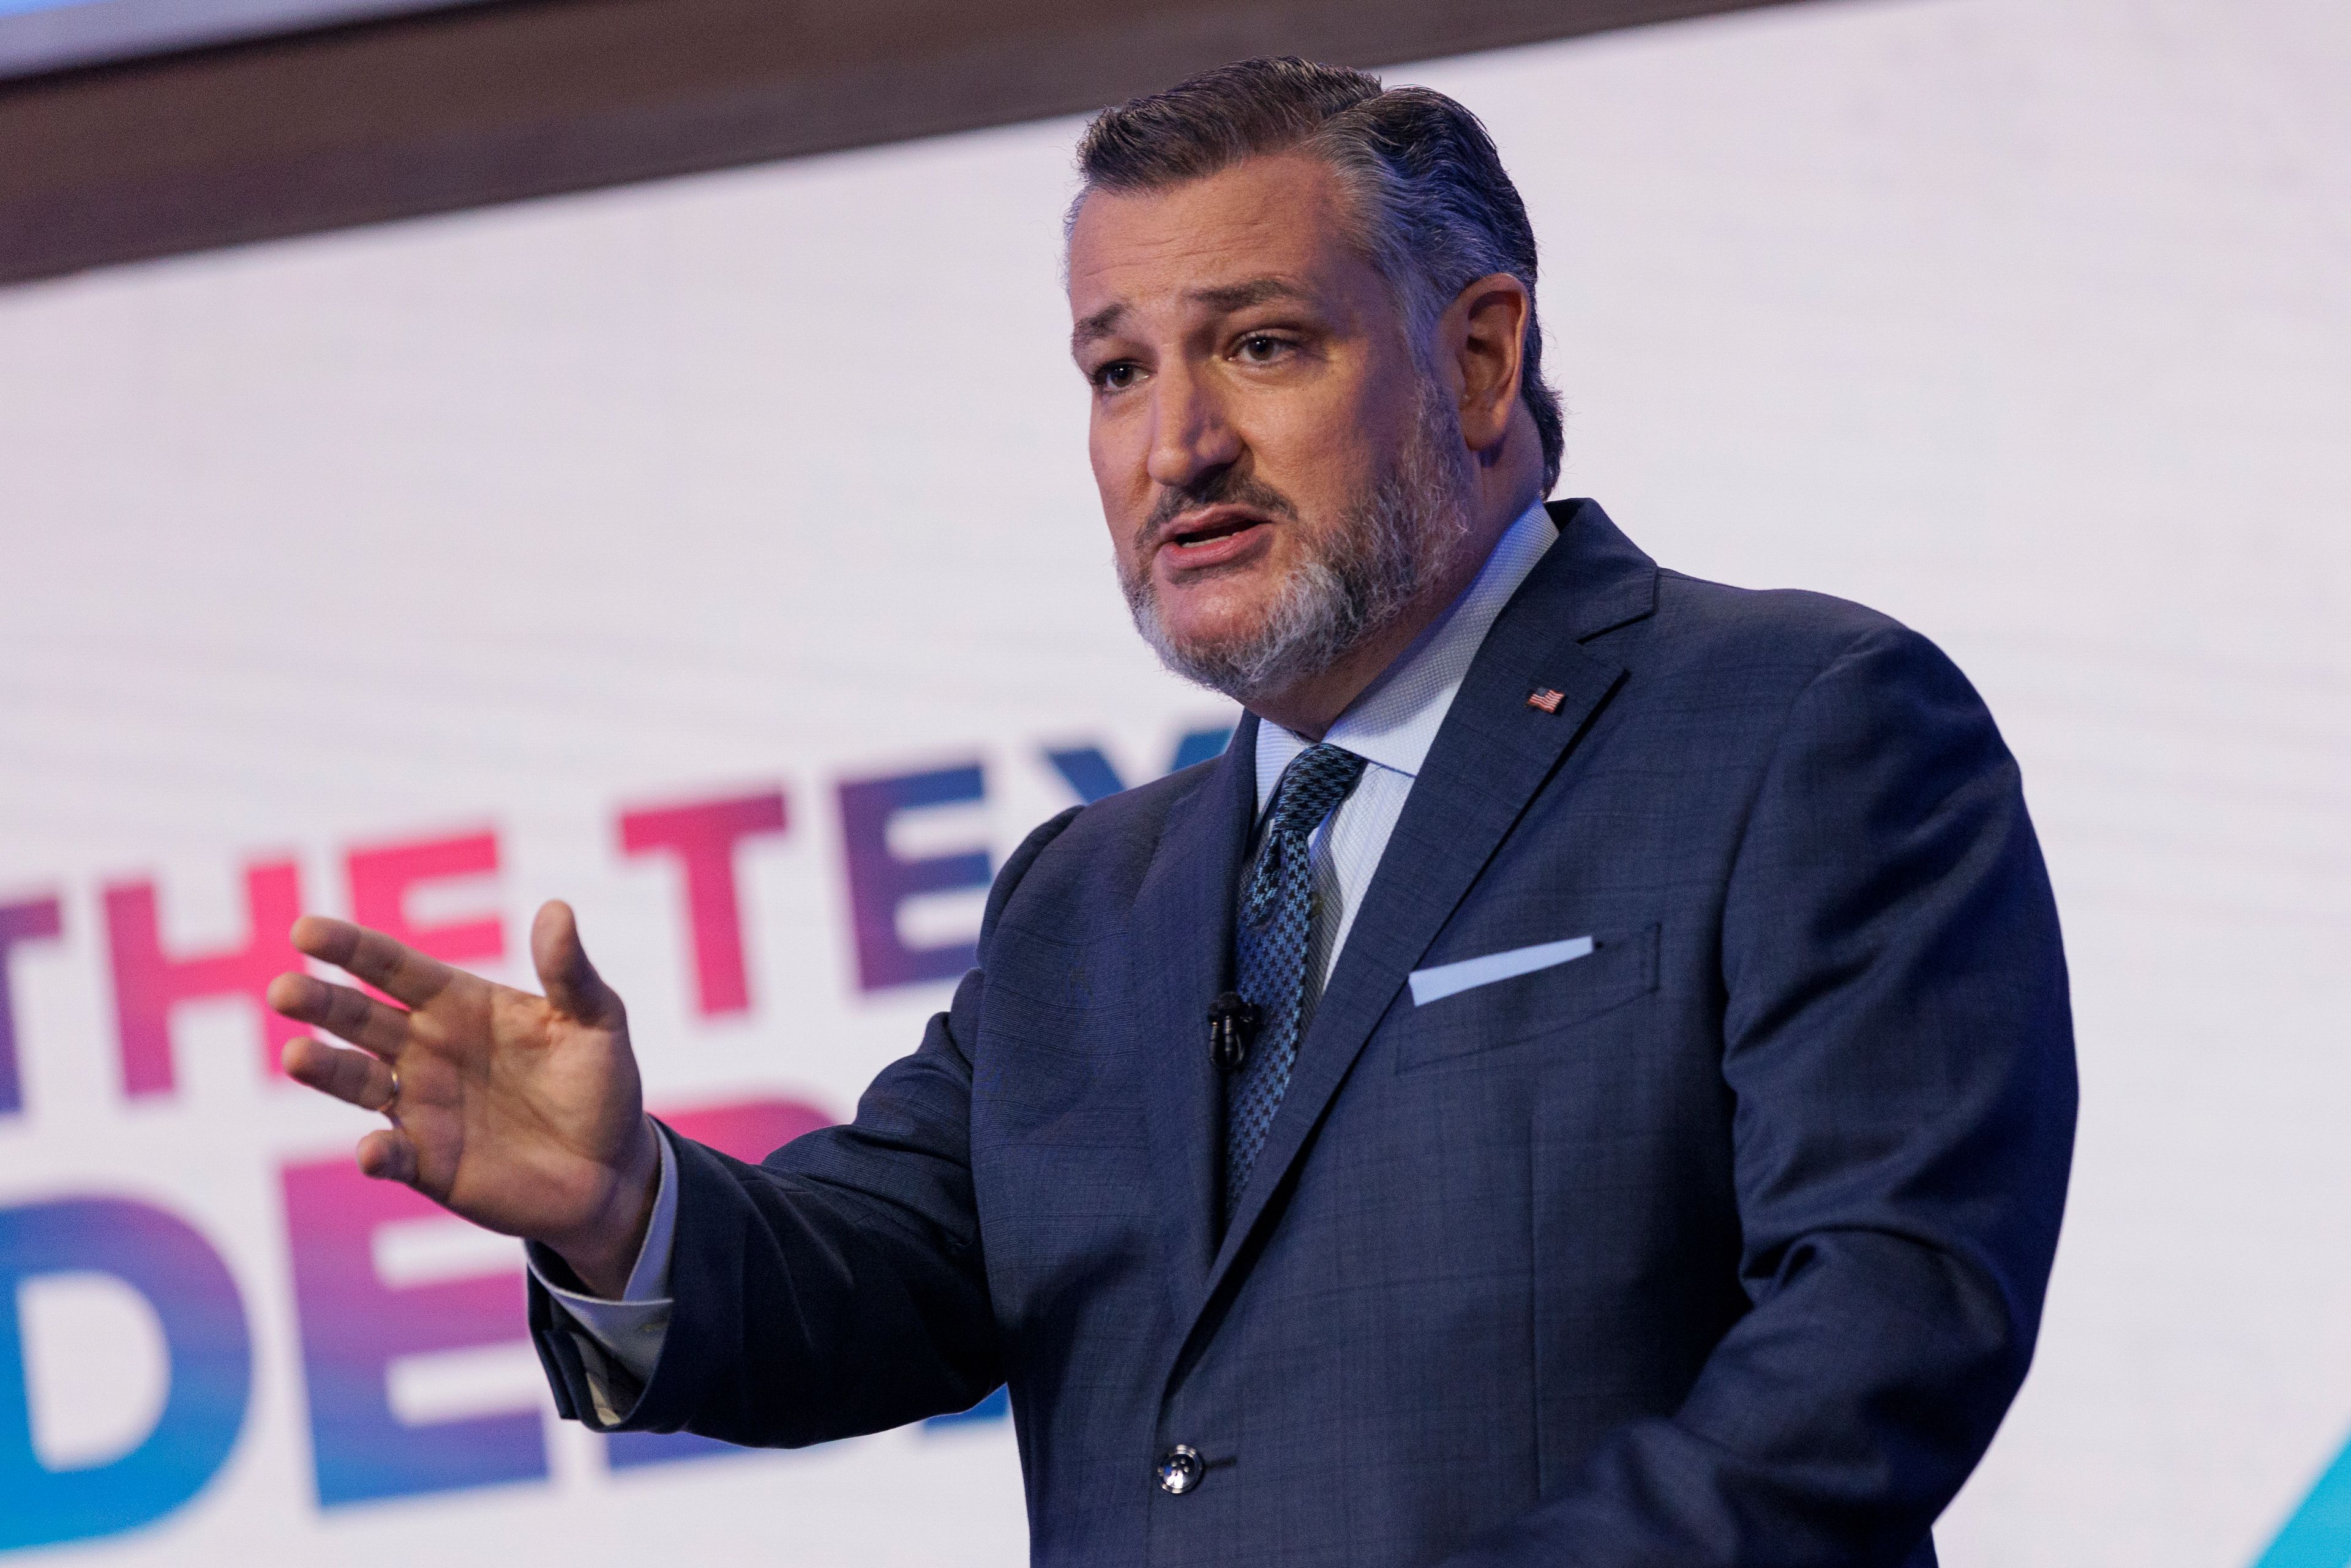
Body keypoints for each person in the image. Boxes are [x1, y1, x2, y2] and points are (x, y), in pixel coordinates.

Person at [269, 56, 2075, 1567]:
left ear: (1478, 355)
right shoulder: (1090, 896)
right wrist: (620, 1204)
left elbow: (1886, 1326)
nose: (1175, 443)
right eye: (1118, 370)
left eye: (1262, 346)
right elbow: (877, 1273)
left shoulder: (1795, 725)